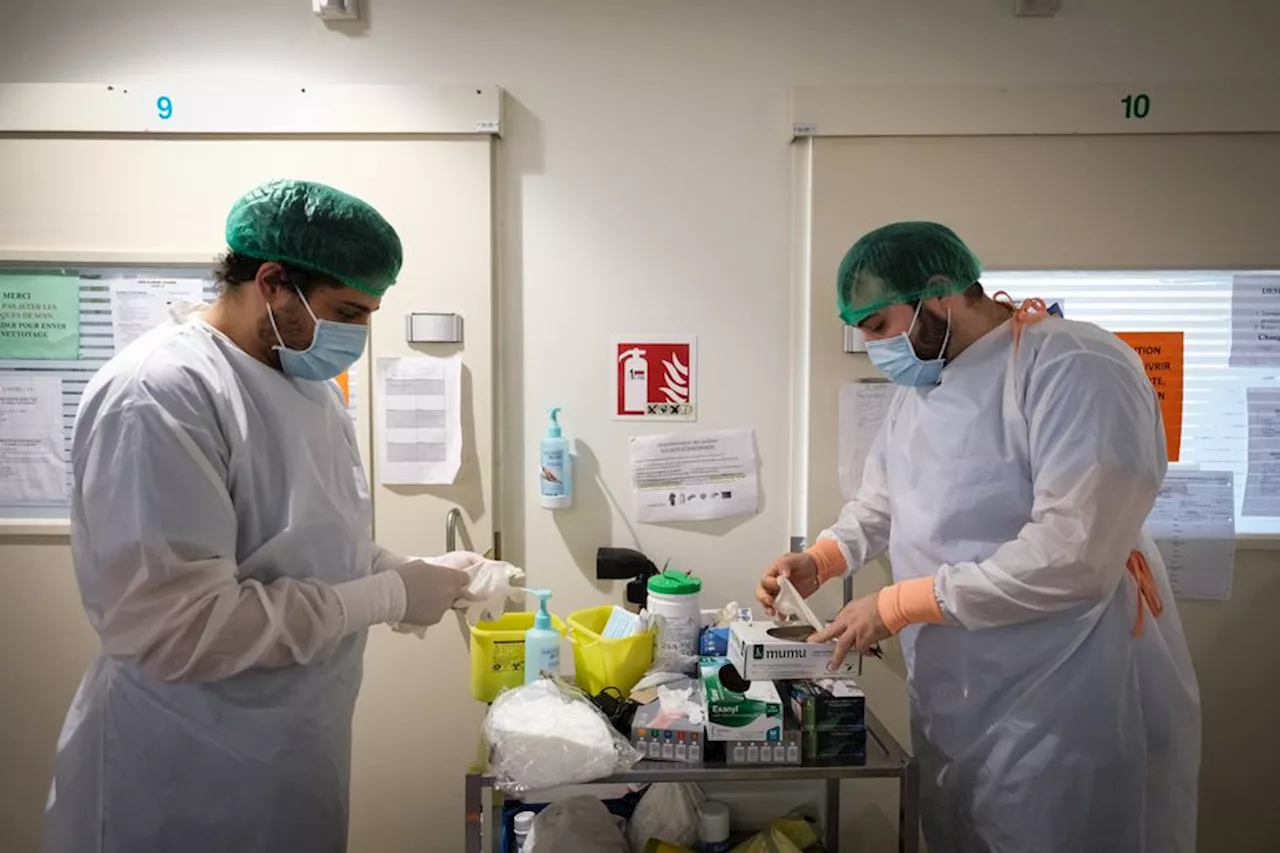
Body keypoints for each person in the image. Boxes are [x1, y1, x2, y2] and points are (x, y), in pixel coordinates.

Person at [45, 179, 484, 853]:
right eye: (348, 310)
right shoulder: (161, 394)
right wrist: (388, 594)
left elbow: (313, 539)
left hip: (290, 750)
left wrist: (405, 571)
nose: (360, 333)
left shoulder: (306, 386)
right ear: (273, 281)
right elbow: (181, 628)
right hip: (181, 768)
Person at [757, 222, 1201, 852]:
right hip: (957, 693)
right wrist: (823, 558)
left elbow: (1072, 556)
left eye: (879, 324)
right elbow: (882, 503)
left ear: (939, 292)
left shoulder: (1075, 368)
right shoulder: (925, 385)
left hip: (1064, 693)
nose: (871, 344)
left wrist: (898, 604)